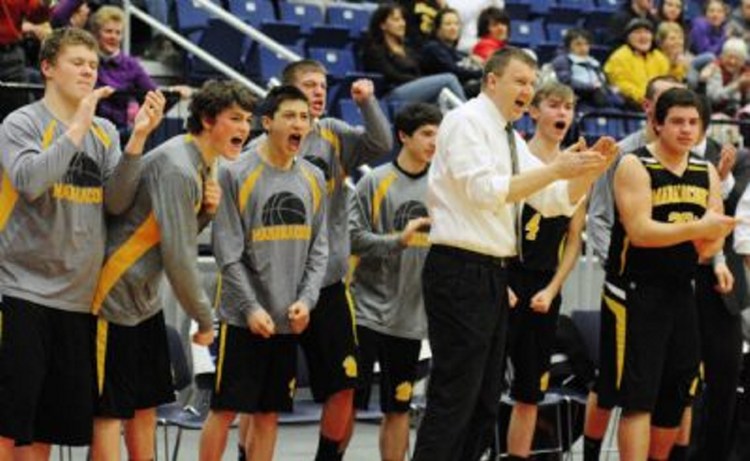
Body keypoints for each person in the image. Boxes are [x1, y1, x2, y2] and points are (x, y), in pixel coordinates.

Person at [410, 46, 617, 461]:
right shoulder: (465, 121)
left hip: (492, 271)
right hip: (459, 267)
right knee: (456, 398)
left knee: (486, 402)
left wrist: (587, 173)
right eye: (520, 81)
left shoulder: (507, 135)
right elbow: (484, 192)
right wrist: (557, 169)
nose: (527, 90)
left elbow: (553, 200)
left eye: (531, 83)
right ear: (492, 80)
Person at [0, 26, 164, 460]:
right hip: (22, 290)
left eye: (93, 65)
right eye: (77, 62)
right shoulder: (21, 123)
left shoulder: (106, 132)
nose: (88, 71)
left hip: (78, 300)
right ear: (48, 68)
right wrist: (76, 128)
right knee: (9, 425)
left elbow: (115, 203)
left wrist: (137, 142)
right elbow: (32, 182)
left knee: (45, 429)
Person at [89, 79, 256, 461]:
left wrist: (205, 214)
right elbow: (179, 256)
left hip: (144, 300)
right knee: (111, 412)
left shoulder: (204, 164)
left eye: (247, 119)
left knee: (146, 405)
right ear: (208, 119)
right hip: (114, 294)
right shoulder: (179, 165)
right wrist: (205, 318)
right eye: (235, 119)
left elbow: (167, 235)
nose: (245, 129)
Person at [240, 59, 393, 461]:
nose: (320, 91)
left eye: (324, 85)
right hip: (275, 287)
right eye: (310, 85)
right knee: (263, 397)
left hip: (326, 283)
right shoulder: (262, 148)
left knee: (344, 384)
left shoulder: (334, 135)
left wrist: (367, 104)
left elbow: (381, 145)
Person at [590, 88, 736, 461]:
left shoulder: (706, 172)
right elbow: (640, 232)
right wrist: (702, 226)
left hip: (681, 290)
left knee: (677, 392)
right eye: (677, 121)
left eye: (693, 123)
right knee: (637, 399)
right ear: (657, 123)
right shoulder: (634, 164)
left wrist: (715, 244)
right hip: (633, 291)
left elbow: (706, 246)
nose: (686, 129)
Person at [199, 84, 328, 461]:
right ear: (267, 122)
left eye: (305, 118)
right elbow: (227, 253)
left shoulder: (313, 178)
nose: (299, 124)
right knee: (224, 411)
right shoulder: (235, 173)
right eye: (290, 116)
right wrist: (252, 308)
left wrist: (307, 300)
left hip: (288, 320)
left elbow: (318, 250)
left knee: (269, 413)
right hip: (242, 319)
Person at [344, 102, 442, 461]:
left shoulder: (442, 185)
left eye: (439, 134)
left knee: (398, 407)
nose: (435, 141)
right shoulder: (374, 181)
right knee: (347, 404)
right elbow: (353, 239)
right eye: (427, 134)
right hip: (367, 312)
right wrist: (397, 240)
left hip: (411, 318)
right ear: (403, 136)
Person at [505, 82, 588, 461]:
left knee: (529, 393)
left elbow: (573, 240)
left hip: (543, 286)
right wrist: (501, 280)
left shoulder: (575, 173)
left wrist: (554, 288)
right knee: (480, 388)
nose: (562, 113)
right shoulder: (515, 159)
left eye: (568, 107)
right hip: (504, 277)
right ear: (534, 112)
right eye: (554, 105)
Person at [363, 3, 467, 105]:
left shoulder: (407, 47)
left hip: (414, 88)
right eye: (396, 20)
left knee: (444, 98)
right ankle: (472, 120)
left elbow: (420, 69)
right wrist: (419, 80)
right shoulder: (375, 49)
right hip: (393, 92)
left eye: (402, 19)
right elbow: (390, 76)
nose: (402, 24)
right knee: (449, 79)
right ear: (383, 25)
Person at [604, 17, 671, 109]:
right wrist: (646, 99)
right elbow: (622, 85)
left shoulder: (660, 58)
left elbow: (668, 83)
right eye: (638, 32)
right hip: (632, 106)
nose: (643, 36)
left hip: (659, 105)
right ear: (628, 37)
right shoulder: (619, 57)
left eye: (647, 32)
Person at [0, 0, 51, 121]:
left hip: (11, 54)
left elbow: (36, 16)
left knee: (18, 115)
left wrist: (45, 3)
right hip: (11, 54)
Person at [420, 7, 483, 98]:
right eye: (448, 24)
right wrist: (482, 72)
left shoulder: (455, 52)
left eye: (456, 24)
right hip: (440, 95)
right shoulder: (433, 48)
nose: (453, 28)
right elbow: (454, 71)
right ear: (437, 28)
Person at [551, 28, 618, 109]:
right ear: (568, 46)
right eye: (578, 44)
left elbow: (603, 82)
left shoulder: (594, 62)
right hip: (577, 101)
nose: (583, 48)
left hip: (597, 100)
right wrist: (590, 87)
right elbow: (566, 82)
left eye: (586, 44)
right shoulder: (563, 61)